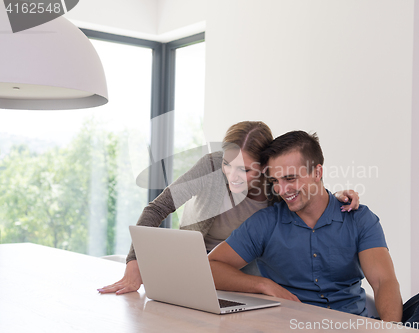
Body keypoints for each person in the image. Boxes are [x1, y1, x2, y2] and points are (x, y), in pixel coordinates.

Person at [208, 131, 419, 333]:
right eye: (276, 181)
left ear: (317, 172)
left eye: (290, 178)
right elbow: (211, 266)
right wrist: (264, 284)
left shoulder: (359, 218)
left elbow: (383, 281)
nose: (282, 190)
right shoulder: (265, 223)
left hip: (357, 324)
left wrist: (390, 329)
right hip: (295, 327)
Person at [98, 121, 360, 295]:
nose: (232, 176)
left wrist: (334, 196)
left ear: (265, 168)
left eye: (245, 169)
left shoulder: (276, 189)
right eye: (228, 164)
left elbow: (303, 191)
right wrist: (134, 262)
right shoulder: (211, 167)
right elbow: (157, 209)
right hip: (196, 261)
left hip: (246, 267)